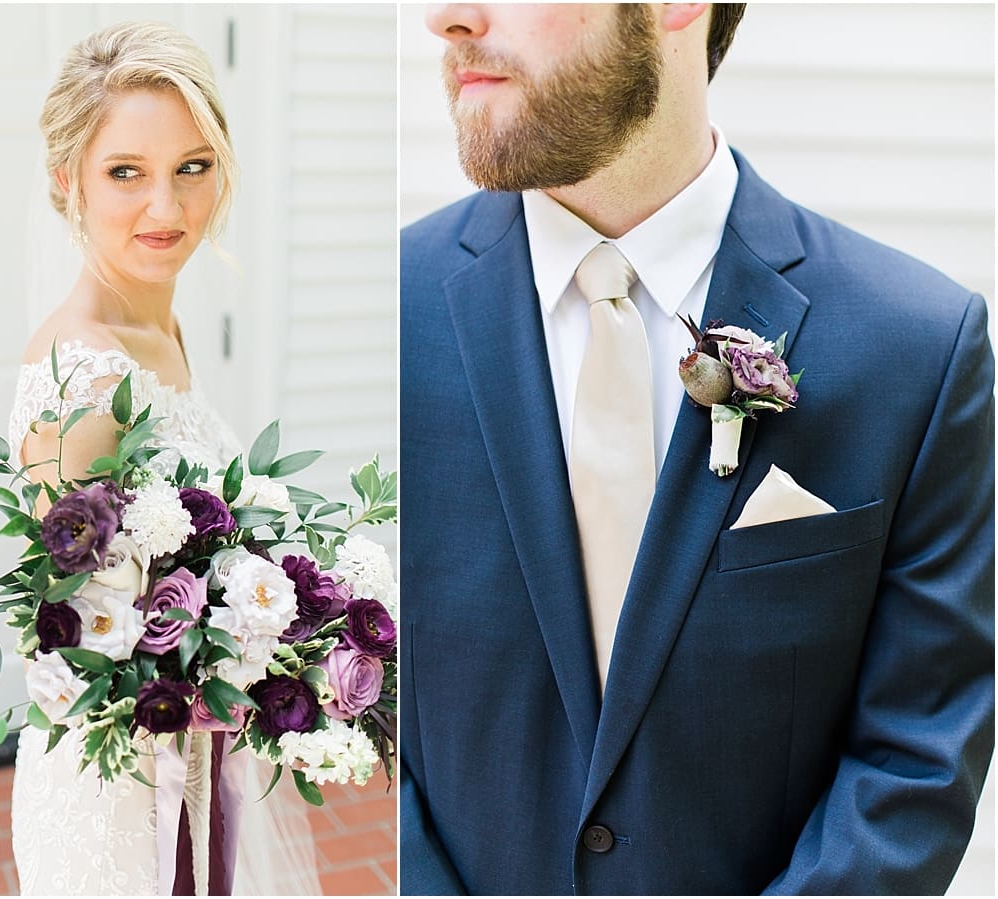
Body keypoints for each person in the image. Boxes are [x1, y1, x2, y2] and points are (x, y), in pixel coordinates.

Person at [400, 4, 994, 894]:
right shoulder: (391, 311)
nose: (448, 18)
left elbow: (914, 760)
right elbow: (349, 712)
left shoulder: (918, 347)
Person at [7, 22, 319, 896]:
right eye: (126, 173)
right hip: (116, 793)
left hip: (188, 758)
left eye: (192, 166)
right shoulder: (82, 382)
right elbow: (74, 636)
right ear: (66, 181)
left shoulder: (154, 325)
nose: (168, 210)